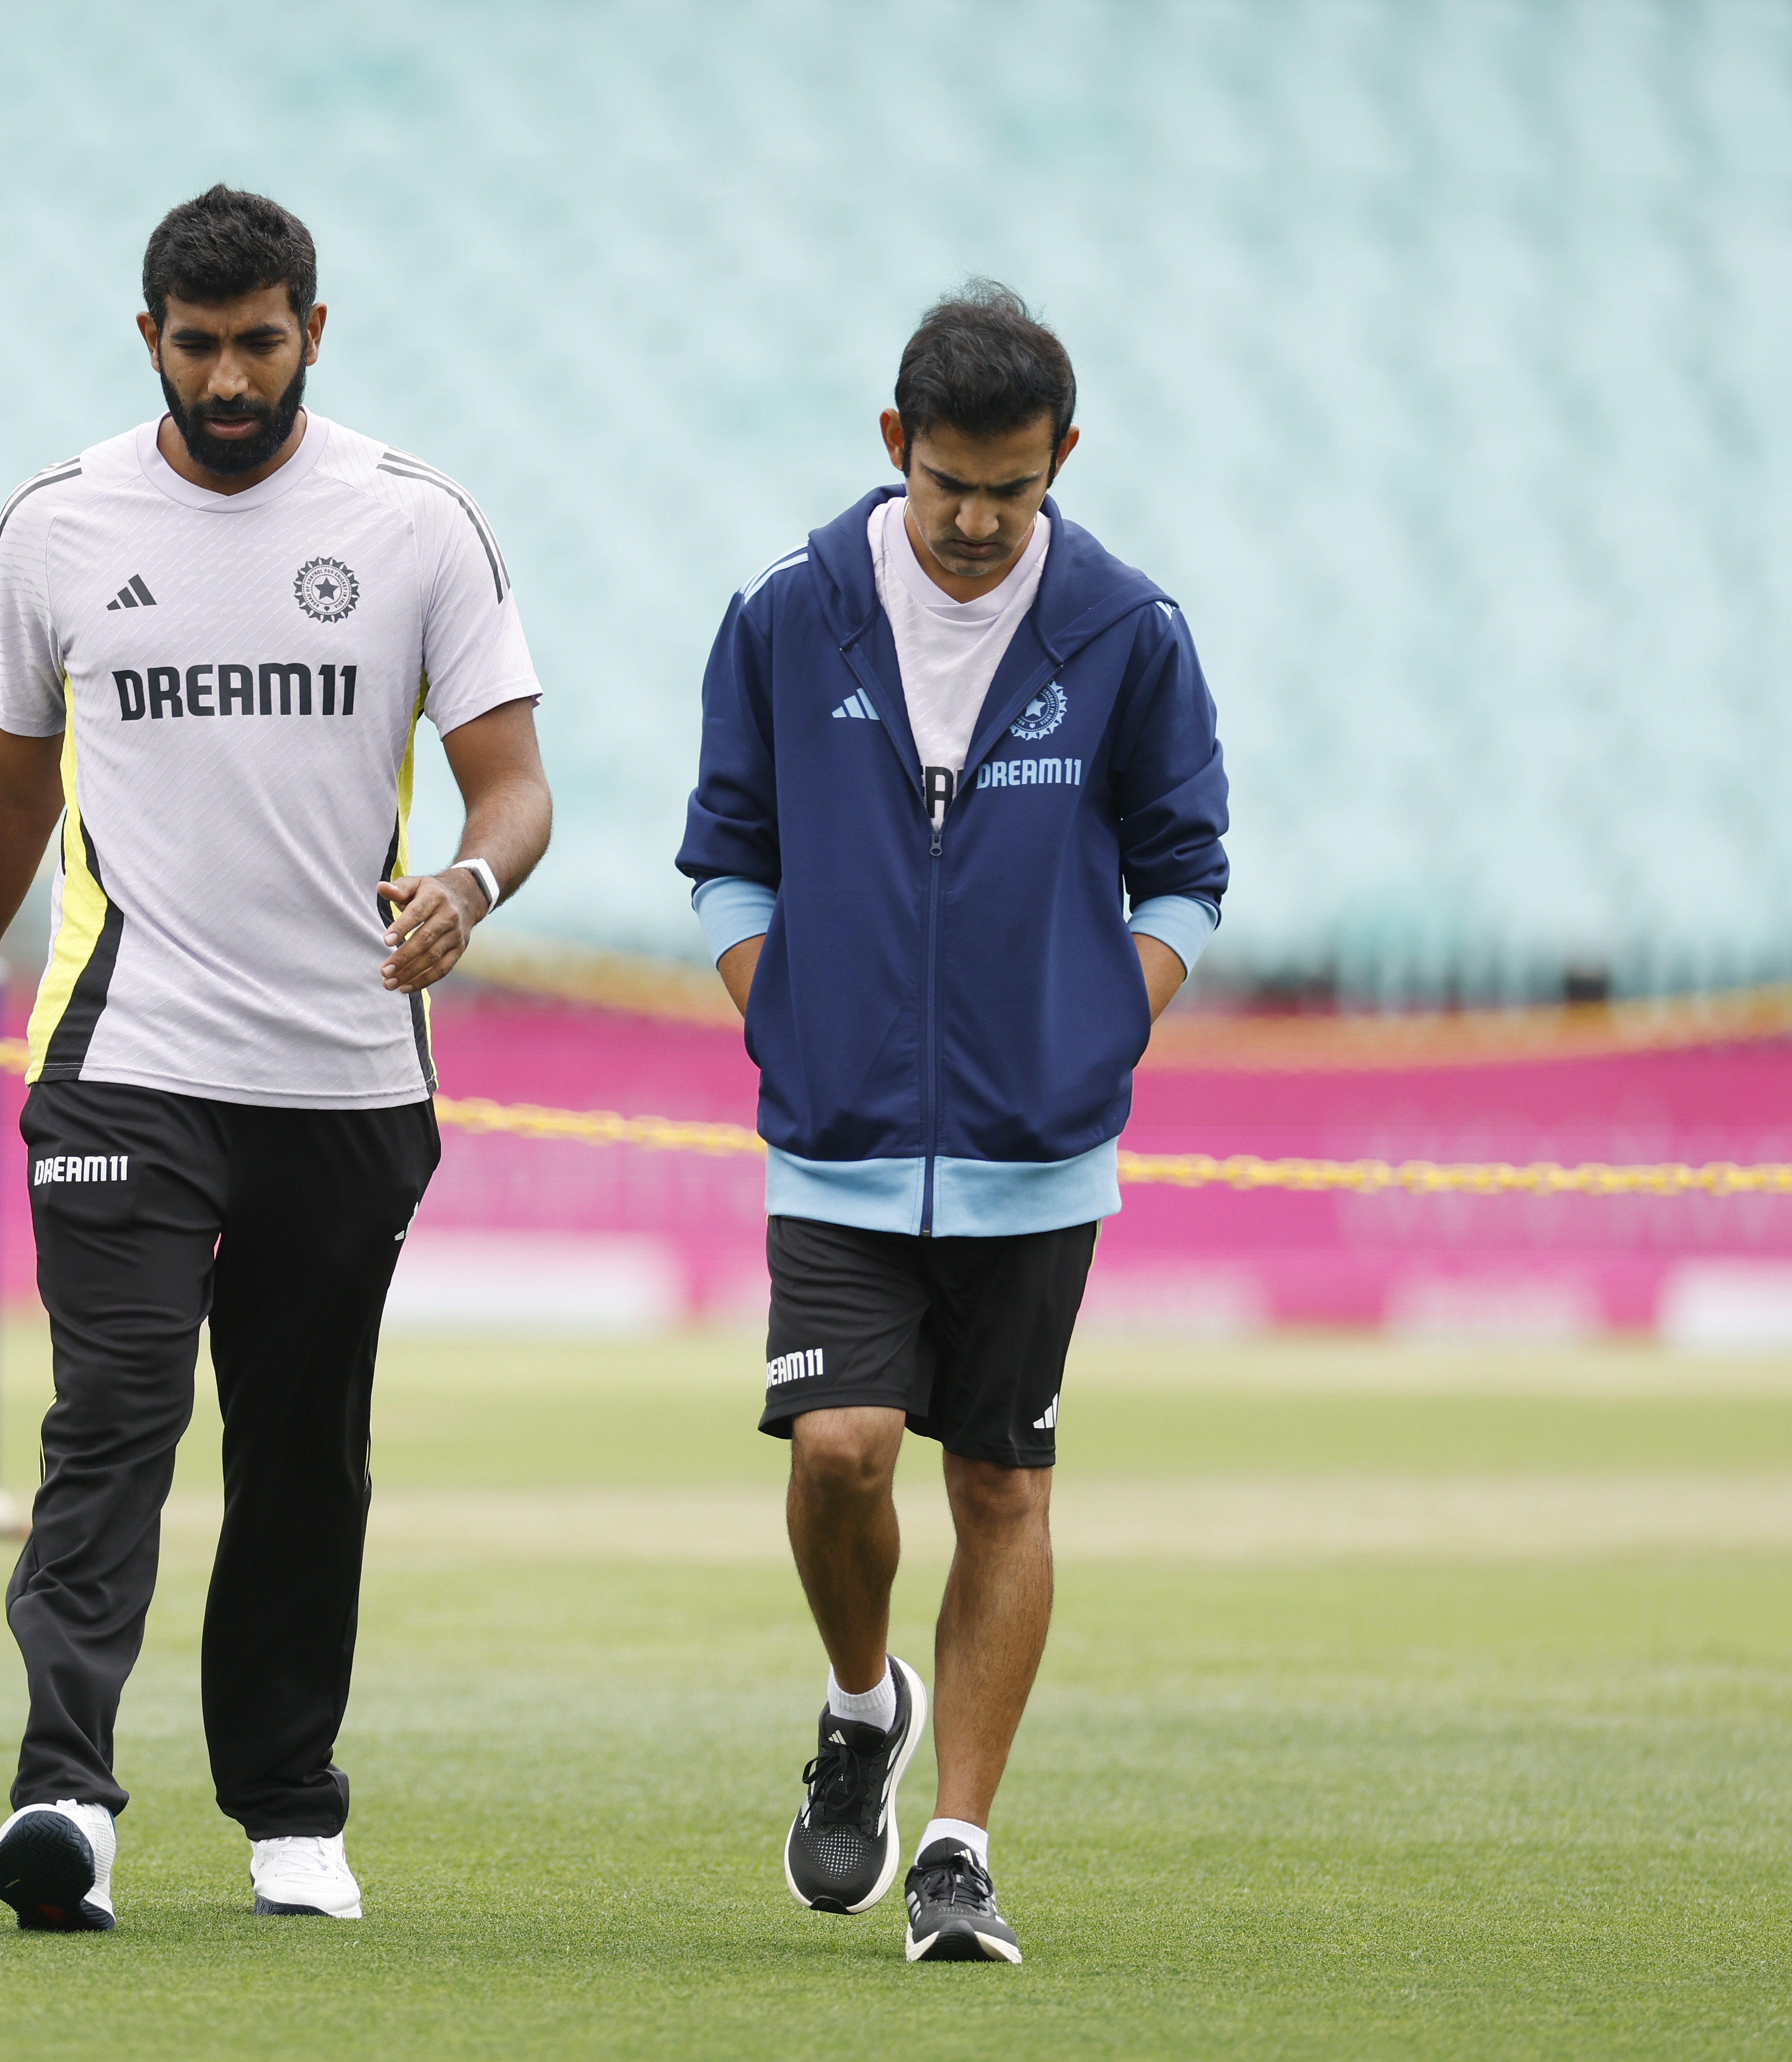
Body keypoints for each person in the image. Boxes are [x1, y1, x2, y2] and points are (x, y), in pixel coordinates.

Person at [0, 185, 553, 1932]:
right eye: (199, 346)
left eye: (262, 342)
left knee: (301, 1449)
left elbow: (513, 780)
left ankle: (287, 1809)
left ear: (313, 334)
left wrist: (469, 885)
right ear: (150, 341)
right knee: (113, 1416)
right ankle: (64, 1797)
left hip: (347, 1076)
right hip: (128, 1052)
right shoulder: (57, 525)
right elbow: (10, 790)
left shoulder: (420, 527)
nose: (231, 376)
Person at [676, 282, 1227, 1963]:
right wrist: (787, 1010)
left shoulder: (1130, 629)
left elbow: (1188, 868)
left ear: (1063, 458)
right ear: (894, 447)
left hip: (1036, 1152)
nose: (980, 522)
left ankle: (961, 1852)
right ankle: (863, 1708)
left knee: (1003, 1487)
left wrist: (1091, 1034)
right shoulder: (787, 613)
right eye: (951, 486)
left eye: (1016, 488)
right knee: (841, 1453)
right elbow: (724, 848)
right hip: (835, 1135)